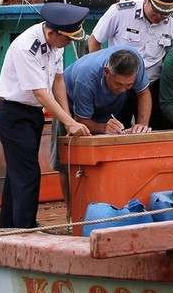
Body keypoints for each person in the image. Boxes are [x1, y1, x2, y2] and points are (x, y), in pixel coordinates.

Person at [0, 3, 91, 229]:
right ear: (51, 33)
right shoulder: (26, 48)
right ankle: (25, 231)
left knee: (16, 175)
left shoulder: (57, 42)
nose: (69, 43)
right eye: (67, 39)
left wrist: (69, 119)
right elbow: (40, 93)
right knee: (28, 175)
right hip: (14, 115)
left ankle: (9, 227)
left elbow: (58, 81)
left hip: (32, 116)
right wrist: (69, 122)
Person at [52, 45, 151, 202]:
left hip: (107, 107)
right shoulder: (86, 77)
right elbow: (80, 121)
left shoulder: (135, 61)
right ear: (106, 72)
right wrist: (103, 127)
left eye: (129, 85)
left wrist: (142, 124)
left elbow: (144, 93)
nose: (123, 90)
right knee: (67, 162)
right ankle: (72, 211)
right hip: (71, 110)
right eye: (118, 84)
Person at [87, 0, 173, 128]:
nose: (159, 17)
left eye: (165, 13)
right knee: (117, 128)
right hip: (119, 85)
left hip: (152, 84)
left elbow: (171, 54)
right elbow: (95, 40)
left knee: (152, 129)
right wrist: (103, 77)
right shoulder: (120, 12)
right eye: (156, 10)